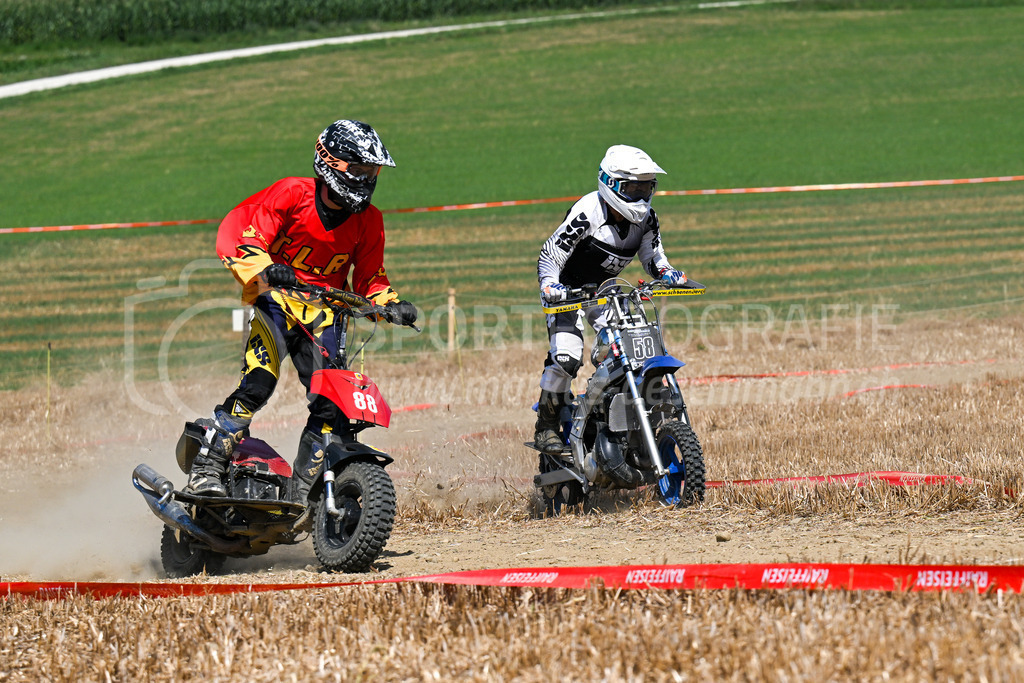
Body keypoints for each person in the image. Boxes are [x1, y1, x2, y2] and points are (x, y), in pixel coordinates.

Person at [185, 119, 418, 501]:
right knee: (257, 385)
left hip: (325, 314)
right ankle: (207, 467)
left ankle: (305, 494)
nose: (366, 178)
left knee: (332, 403)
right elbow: (251, 236)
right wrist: (267, 268)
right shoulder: (291, 194)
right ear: (330, 164)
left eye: (371, 171)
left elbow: (371, 280)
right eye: (358, 169)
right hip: (275, 302)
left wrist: (391, 306)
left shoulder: (370, 221)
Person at [533, 144, 687, 454]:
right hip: (569, 292)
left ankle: (613, 414)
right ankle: (546, 426)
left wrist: (667, 273)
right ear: (612, 184)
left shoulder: (647, 219)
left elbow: (653, 256)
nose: (642, 196)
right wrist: (550, 285)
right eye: (634, 188)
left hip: (606, 291)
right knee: (567, 357)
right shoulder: (587, 212)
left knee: (632, 348)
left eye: (647, 188)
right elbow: (551, 254)